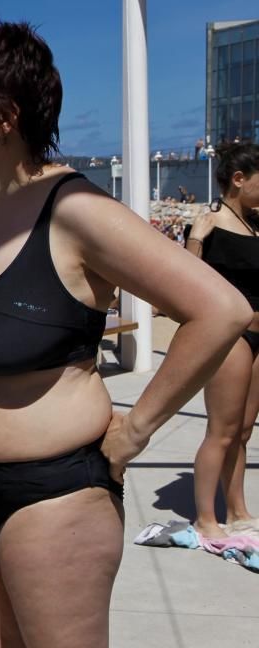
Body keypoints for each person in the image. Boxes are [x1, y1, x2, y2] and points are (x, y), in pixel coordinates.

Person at [0, 20, 251, 647]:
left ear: (6, 114)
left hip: (54, 488)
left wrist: (136, 431)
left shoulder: (76, 211)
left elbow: (220, 310)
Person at [184, 141, 259, 537]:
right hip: (232, 337)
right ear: (238, 179)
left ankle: (237, 509)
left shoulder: (254, 223)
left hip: (257, 339)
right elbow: (185, 283)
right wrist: (195, 238)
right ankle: (205, 519)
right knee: (222, 430)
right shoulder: (209, 224)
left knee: (244, 430)